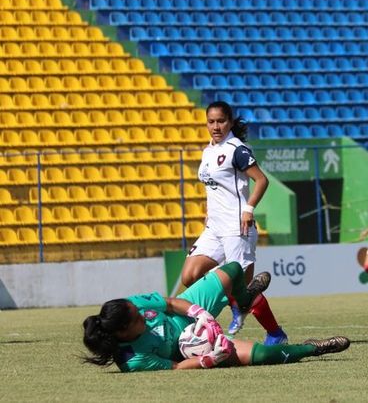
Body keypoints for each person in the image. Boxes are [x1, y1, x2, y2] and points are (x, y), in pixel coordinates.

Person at [82, 262, 350, 372]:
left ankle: (243, 301)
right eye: (138, 319)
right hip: (190, 347)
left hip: (185, 312)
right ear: (124, 332)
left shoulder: (130, 305)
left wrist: (200, 314)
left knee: (233, 269)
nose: (142, 315)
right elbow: (174, 368)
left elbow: (171, 302)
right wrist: (207, 359)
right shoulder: (134, 359)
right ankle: (313, 348)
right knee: (265, 356)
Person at [181, 101, 288, 345]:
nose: (215, 126)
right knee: (190, 275)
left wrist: (249, 209)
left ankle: (275, 333)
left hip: (236, 227)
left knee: (244, 290)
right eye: (211, 122)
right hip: (214, 227)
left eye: (221, 121)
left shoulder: (236, 149)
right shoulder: (208, 151)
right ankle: (230, 306)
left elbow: (261, 180)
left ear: (229, 122)